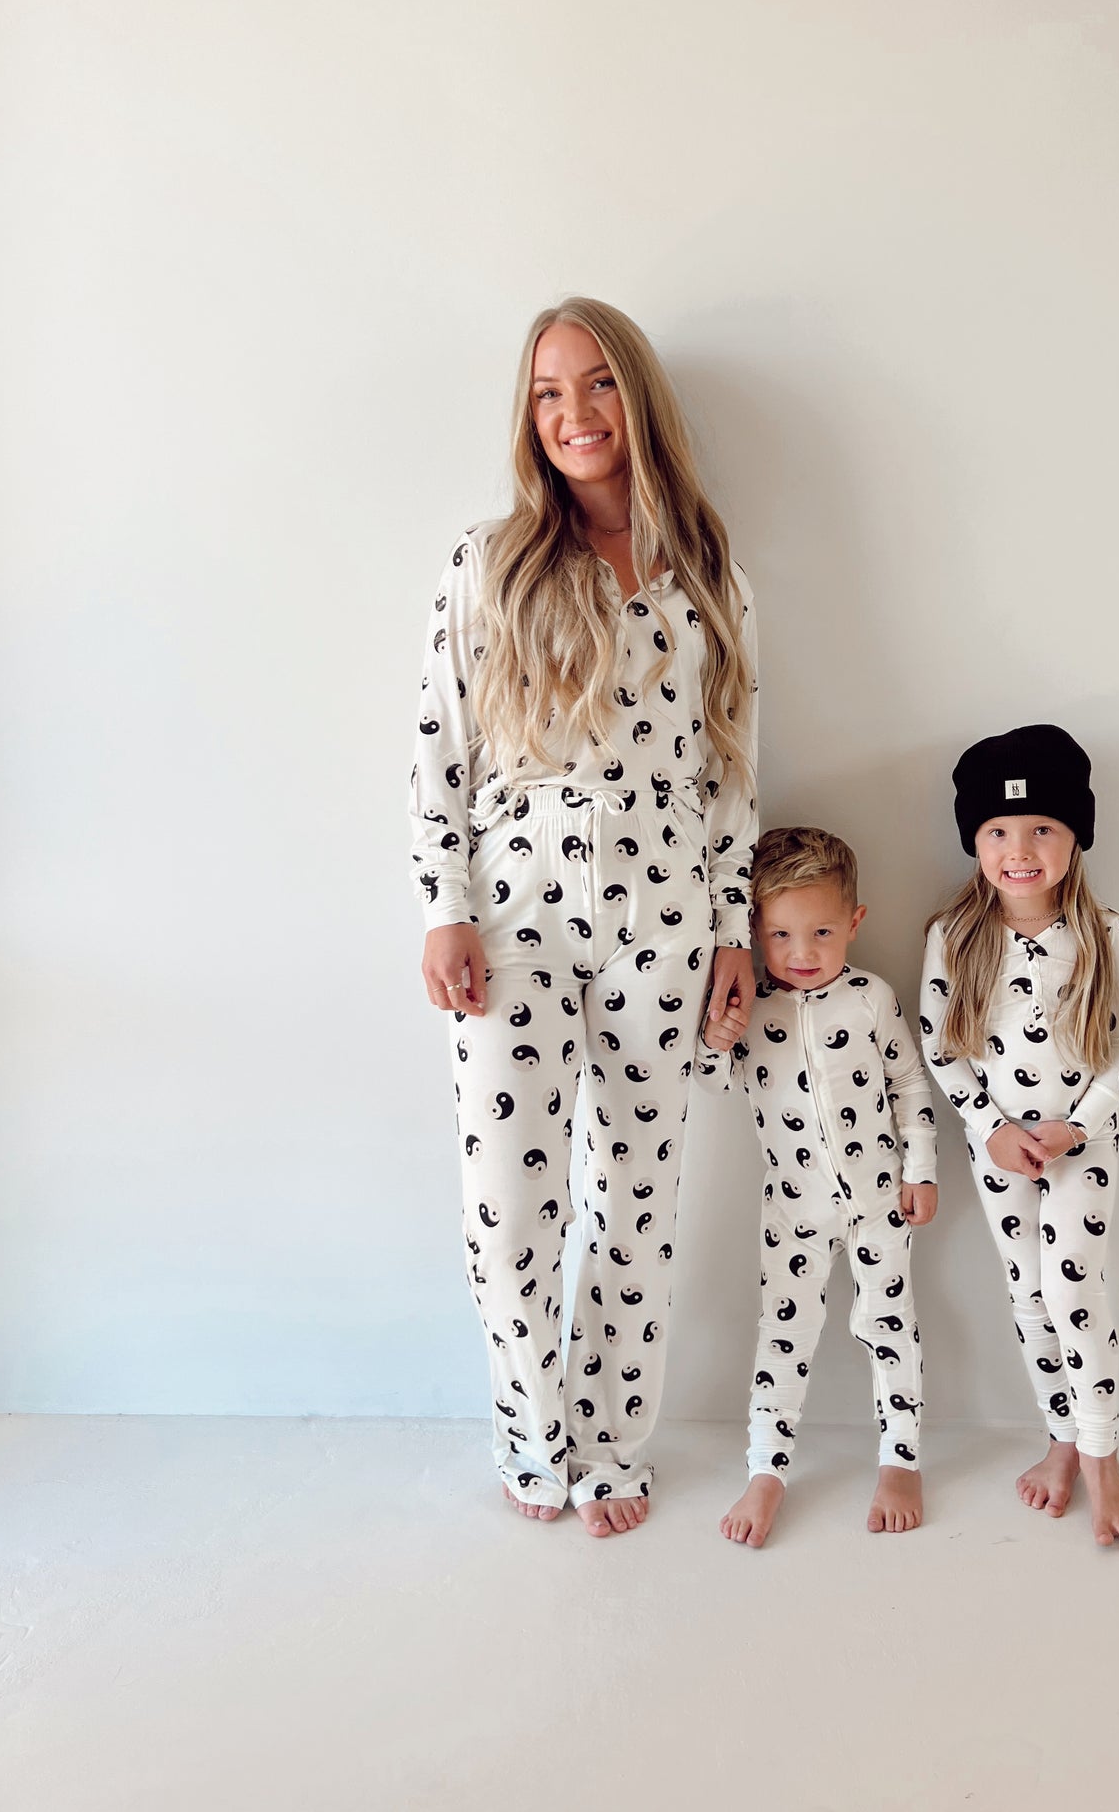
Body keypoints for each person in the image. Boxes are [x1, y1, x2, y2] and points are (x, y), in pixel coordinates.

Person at [410, 298, 758, 1538]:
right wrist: (445, 907)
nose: (573, 415)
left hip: (663, 922)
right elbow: (439, 751)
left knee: (637, 1201)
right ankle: (531, 1434)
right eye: (548, 393)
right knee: (510, 1205)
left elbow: (732, 771)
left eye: (597, 385)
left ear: (637, 399)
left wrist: (728, 932)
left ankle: (613, 1444)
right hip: (516, 919)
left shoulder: (709, 571)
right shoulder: (488, 562)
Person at [920, 725, 1119, 1545]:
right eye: (997, 832)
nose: (1019, 848)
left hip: (1080, 1148)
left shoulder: (1107, 933)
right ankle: (1058, 1436)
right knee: (1026, 1296)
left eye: (1042, 828)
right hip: (1001, 1155)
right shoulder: (951, 936)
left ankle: (1100, 1455)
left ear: (1073, 835)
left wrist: (1073, 1127)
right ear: (975, 841)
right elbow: (938, 1045)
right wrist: (987, 1128)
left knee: (1072, 1288)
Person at [697, 827, 939, 1547]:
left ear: (854, 922)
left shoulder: (869, 998)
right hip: (792, 1211)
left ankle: (900, 1457)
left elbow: (908, 1083)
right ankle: (767, 1469)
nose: (801, 953)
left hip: (876, 1204)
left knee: (889, 1327)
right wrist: (715, 1039)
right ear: (753, 931)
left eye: (821, 931)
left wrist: (919, 1168)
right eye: (779, 934)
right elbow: (709, 1083)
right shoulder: (752, 1010)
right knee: (782, 1334)